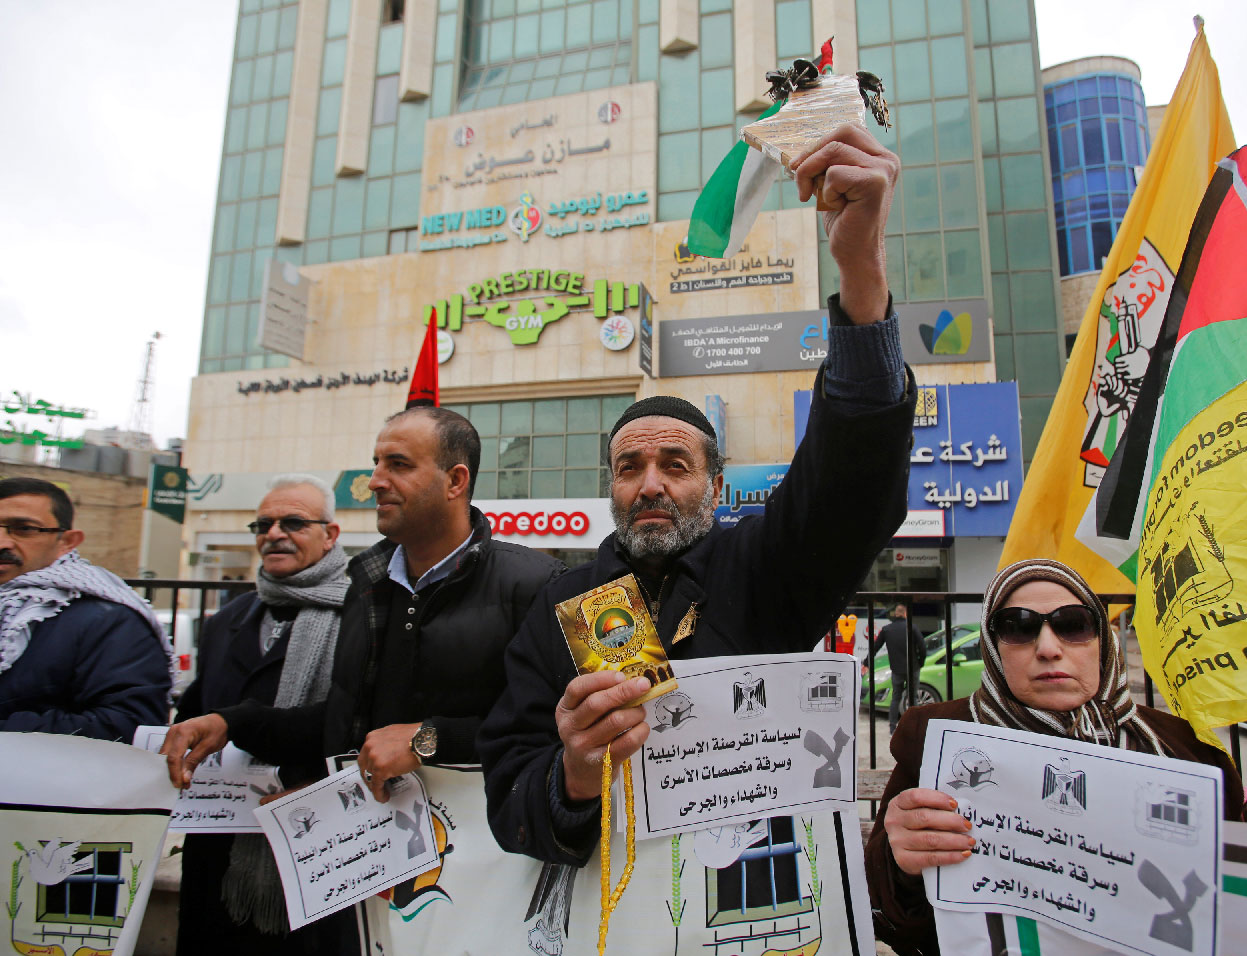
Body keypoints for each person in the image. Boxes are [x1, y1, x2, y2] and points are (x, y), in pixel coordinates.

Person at [478, 123, 914, 864]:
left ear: (715, 484)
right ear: (611, 486)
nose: (650, 485)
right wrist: (575, 772)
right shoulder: (565, 608)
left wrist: (860, 274)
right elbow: (509, 792)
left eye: (675, 465)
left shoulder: (764, 570)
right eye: (629, 469)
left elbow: (851, 487)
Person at [161, 406, 564, 805]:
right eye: (376, 464)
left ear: (455, 481)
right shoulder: (367, 583)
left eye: (398, 464)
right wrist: (232, 723)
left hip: (486, 849)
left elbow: (560, 725)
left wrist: (430, 739)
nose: (374, 482)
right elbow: (346, 723)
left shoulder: (537, 584)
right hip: (378, 848)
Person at [865, 558, 1245, 954]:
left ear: (1103, 641)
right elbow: (893, 918)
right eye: (1018, 627)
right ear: (994, 650)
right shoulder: (936, 741)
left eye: (1073, 624)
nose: (1048, 648)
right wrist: (901, 862)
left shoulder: (1183, 748)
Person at [173, 475, 351, 955]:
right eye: (263, 523)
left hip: (316, 846)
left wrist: (241, 722)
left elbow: (351, 721)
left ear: (330, 535)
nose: (274, 533)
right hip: (217, 849)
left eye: (293, 522)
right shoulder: (227, 620)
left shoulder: (364, 615)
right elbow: (196, 710)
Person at [0, 477, 170, 741]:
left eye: (23, 529)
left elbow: (128, 725)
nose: (3, 543)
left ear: (67, 541)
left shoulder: (108, 621)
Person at [875, 603, 924, 732]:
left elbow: (875, 647)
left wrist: (867, 662)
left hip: (896, 669)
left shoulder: (887, 629)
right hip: (912, 668)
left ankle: (892, 727)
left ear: (895, 614)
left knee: (895, 697)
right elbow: (922, 646)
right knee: (912, 698)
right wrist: (921, 662)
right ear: (905, 614)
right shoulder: (912, 628)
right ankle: (913, 726)